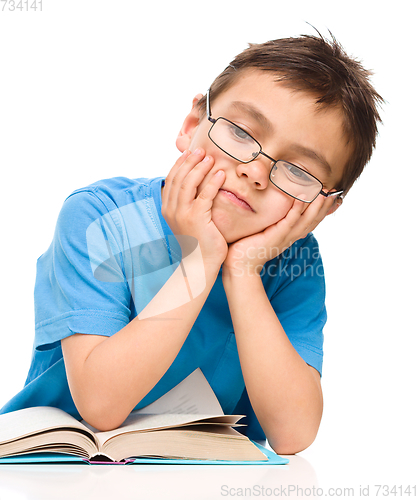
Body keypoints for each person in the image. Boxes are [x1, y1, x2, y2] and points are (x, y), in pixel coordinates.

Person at [0, 33, 382, 454]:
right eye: (240, 132)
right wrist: (201, 260)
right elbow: (101, 405)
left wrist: (242, 271)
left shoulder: (295, 263)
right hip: (57, 465)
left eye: (298, 171)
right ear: (191, 126)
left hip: (198, 476)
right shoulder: (99, 217)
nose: (254, 172)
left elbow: (292, 435)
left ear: (322, 209)